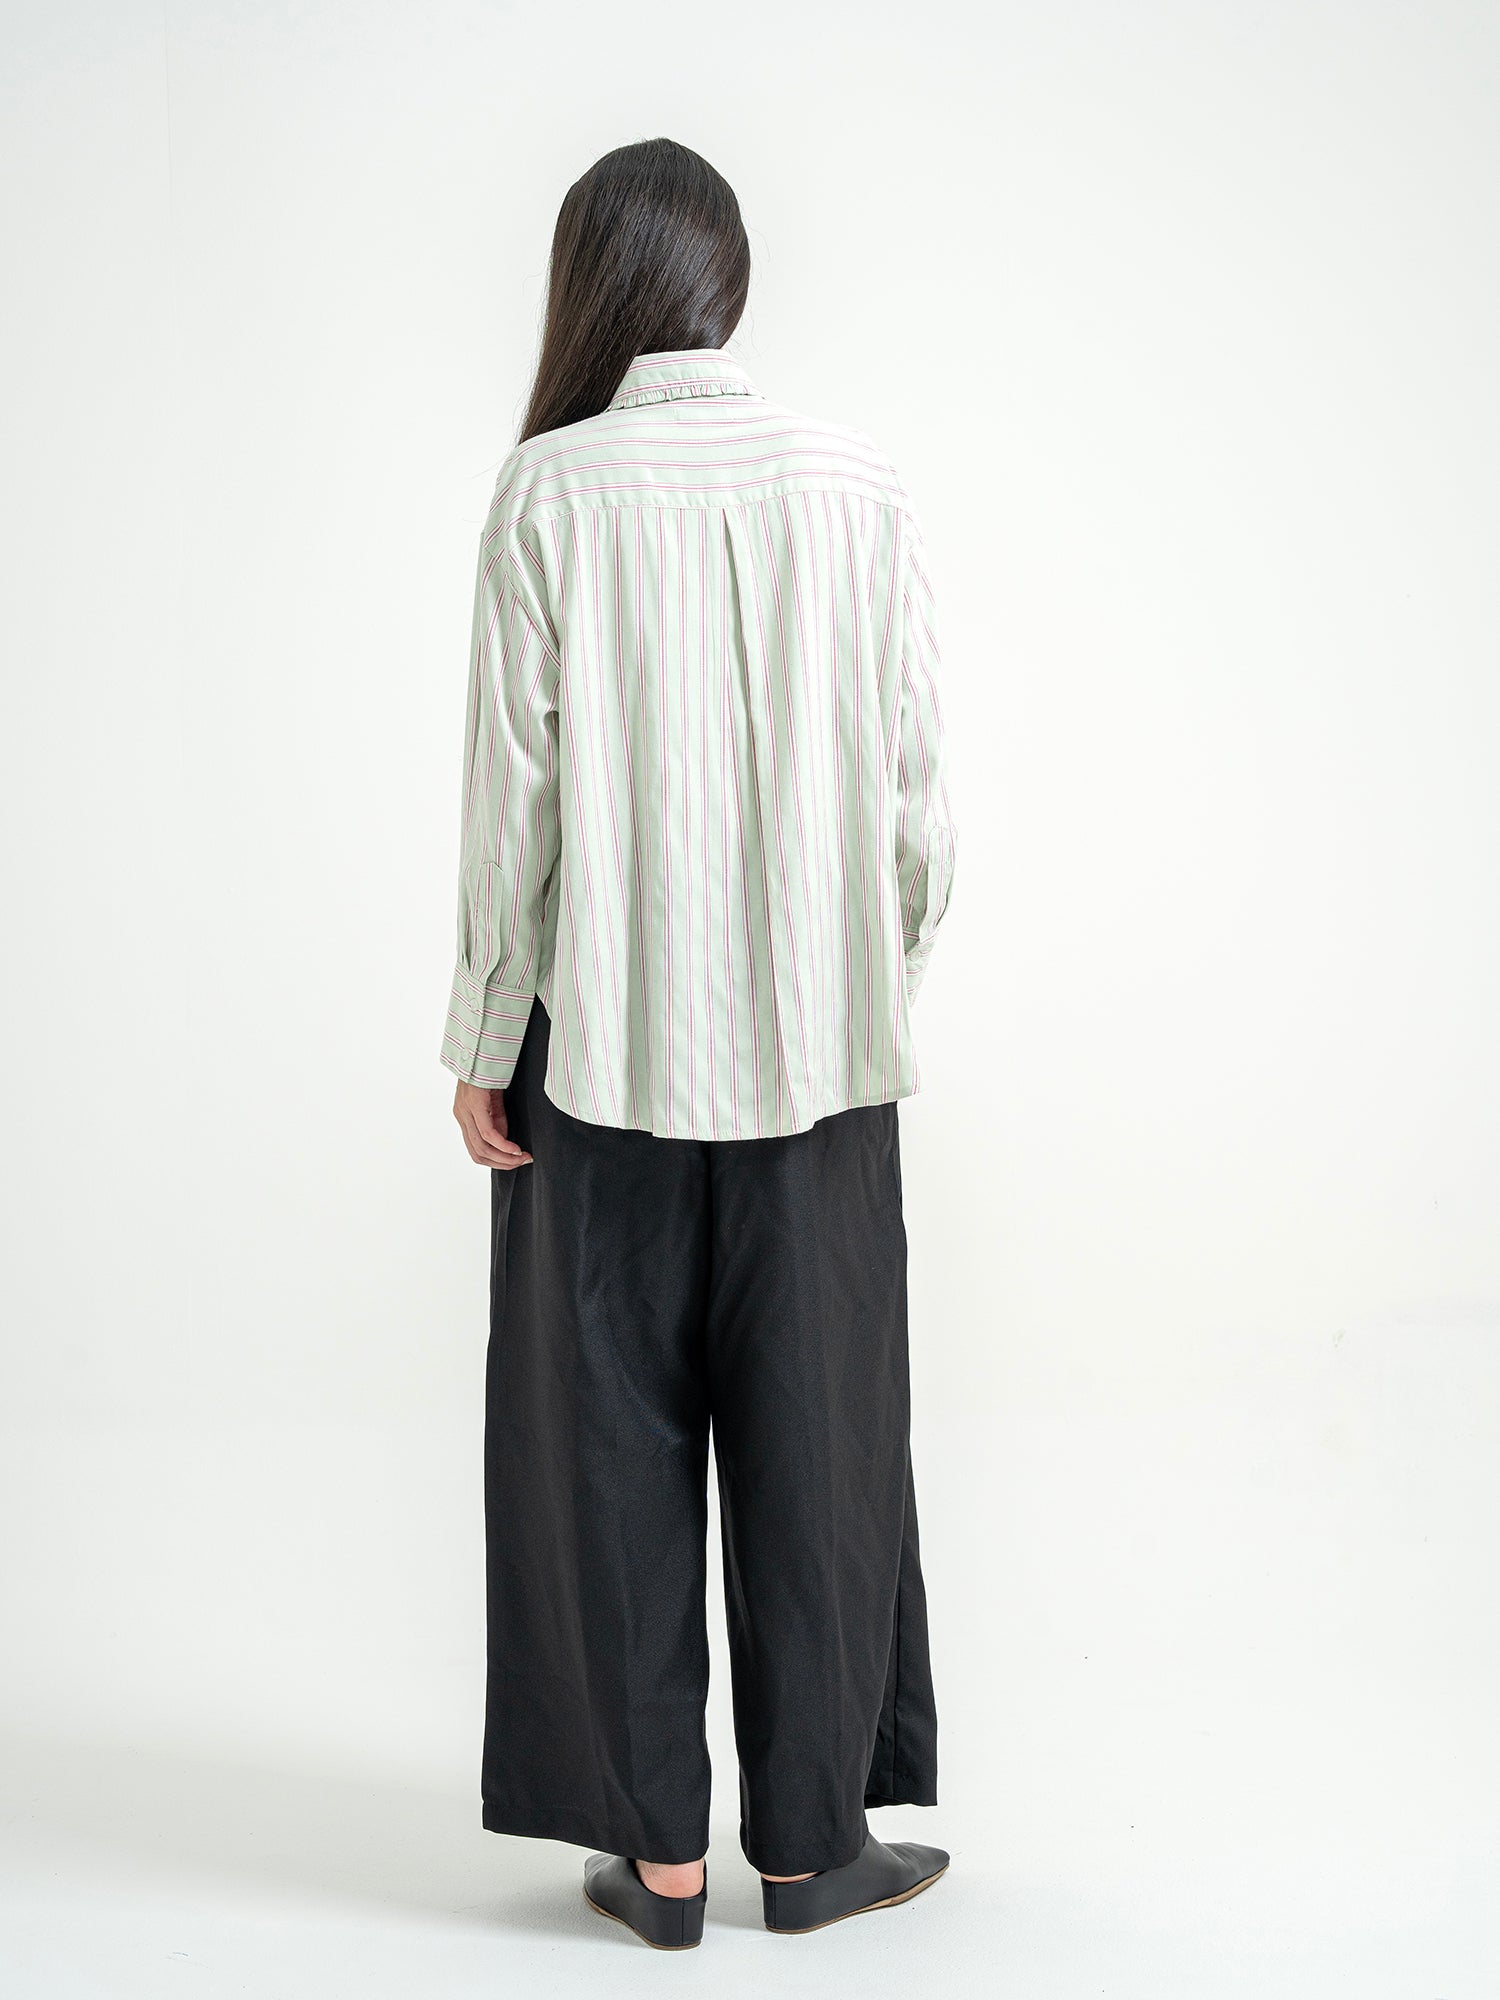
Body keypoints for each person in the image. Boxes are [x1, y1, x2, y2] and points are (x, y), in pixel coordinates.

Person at [439, 136, 958, 1951]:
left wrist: (484, 1033)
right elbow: (918, 812)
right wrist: (863, 981)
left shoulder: (545, 490)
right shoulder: (858, 480)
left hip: (598, 1059)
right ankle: (814, 1851)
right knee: (826, 1440)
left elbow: (515, 809)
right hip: (827, 1063)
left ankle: (658, 1862)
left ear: (592, 285)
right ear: (729, 283)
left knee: (604, 1436)